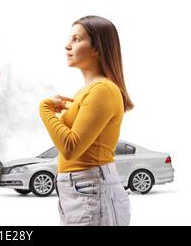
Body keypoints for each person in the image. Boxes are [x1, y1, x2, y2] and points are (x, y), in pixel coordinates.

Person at [39, 15, 133, 226]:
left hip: (91, 189)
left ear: (97, 49)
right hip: (83, 190)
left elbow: (71, 147)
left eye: (76, 39)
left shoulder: (102, 89)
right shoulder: (87, 91)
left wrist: (45, 109)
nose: (67, 45)